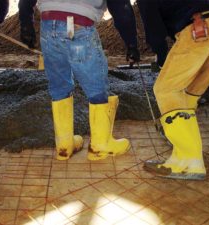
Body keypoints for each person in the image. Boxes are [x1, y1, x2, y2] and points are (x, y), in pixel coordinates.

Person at [115, 0, 209, 180]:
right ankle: (184, 138)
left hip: (200, 28)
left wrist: (162, 60)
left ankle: (188, 159)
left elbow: (155, 31)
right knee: (192, 89)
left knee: (166, 89)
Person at [19, 0, 131, 161]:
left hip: (49, 24)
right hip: (77, 25)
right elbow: (121, 7)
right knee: (96, 84)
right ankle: (100, 146)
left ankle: (64, 146)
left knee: (59, 84)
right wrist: (131, 42)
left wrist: (25, 24)